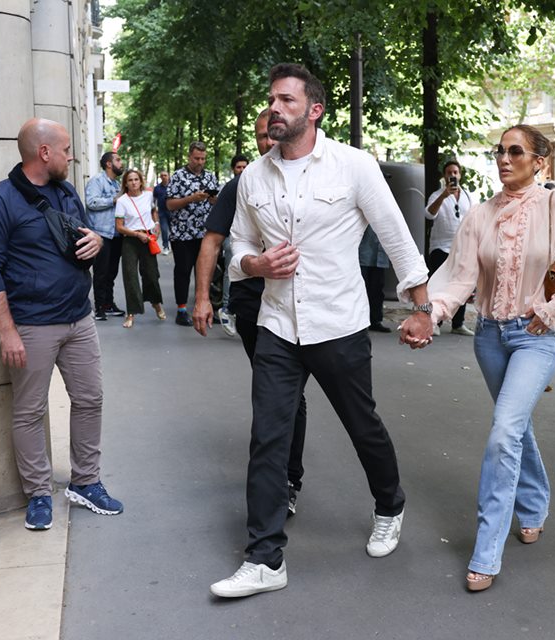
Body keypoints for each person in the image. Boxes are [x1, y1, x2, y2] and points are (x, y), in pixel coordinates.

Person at [209, 63, 432, 599]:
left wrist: (422, 308)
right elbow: (237, 248)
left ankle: (390, 505)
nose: (274, 108)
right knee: (268, 438)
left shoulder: (353, 166)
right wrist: (254, 266)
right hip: (277, 327)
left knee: (362, 425)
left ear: (314, 110)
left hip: (338, 323)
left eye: (286, 100)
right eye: (271, 100)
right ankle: (265, 558)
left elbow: (397, 238)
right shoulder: (253, 178)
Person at [424, 124, 555, 592]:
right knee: (513, 427)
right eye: (499, 151)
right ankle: (536, 504)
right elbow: (459, 277)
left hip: (537, 334)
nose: (503, 158)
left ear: (539, 161)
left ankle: (486, 549)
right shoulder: (479, 215)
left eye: (515, 151)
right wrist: (432, 313)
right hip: (489, 338)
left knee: (503, 432)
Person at [0, 118, 124, 531]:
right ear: (44, 153)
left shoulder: (67, 192)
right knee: (29, 411)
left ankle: (86, 482)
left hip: (79, 319)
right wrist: (6, 330)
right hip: (33, 327)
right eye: (66, 149)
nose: (70, 156)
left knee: (90, 399)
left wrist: (93, 240)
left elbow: (78, 238)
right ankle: (39, 493)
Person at [193, 110, 308, 518]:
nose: (265, 143)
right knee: (275, 392)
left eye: (269, 135)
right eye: (259, 136)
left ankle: (287, 478)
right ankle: (280, 482)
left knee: (292, 396)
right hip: (254, 303)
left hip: (303, 304)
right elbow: (211, 243)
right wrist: (203, 297)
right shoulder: (240, 185)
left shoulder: (310, 179)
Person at [166, 141, 220, 326]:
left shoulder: (211, 177)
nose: (200, 162)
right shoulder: (178, 176)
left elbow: (217, 203)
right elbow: (169, 204)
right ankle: (181, 310)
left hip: (205, 233)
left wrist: (213, 200)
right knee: (183, 271)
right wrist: (191, 199)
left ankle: (204, 306)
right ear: (189, 156)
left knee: (205, 271)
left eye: (203, 158)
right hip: (182, 234)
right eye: (197, 158)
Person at [426, 160, 474, 336]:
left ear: (460, 175)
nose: (452, 175)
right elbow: (429, 213)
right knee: (438, 284)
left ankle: (458, 323)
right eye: (449, 173)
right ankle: (434, 322)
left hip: (463, 247)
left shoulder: (468, 196)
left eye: (455, 172)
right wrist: (444, 196)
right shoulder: (437, 194)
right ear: (444, 176)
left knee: (461, 285)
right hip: (441, 246)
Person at [114, 168, 166, 328]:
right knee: (130, 276)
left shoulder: (149, 196)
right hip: (131, 240)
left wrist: (156, 225)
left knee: (151, 274)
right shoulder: (122, 201)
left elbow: (153, 212)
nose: (133, 182)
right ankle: (131, 313)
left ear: (141, 181)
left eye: (136, 179)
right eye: (130, 180)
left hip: (148, 238)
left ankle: (156, 303)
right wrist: (137, 235)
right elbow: (119, 227)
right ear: (126, 183)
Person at [85, 151, 126, 321]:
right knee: (101, 272)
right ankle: (99, 307)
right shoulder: (97, 181)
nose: (121, 162)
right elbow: (91, 202)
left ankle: (109, 304)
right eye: (118, 160)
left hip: (116, 233)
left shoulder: (117, 184)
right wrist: (114, 200)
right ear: (109, 164)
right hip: (101, 233)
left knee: (112, 272)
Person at [217, 154, 252, 337]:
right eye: (239, 167)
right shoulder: (229, 188)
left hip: (251, 238)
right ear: (233, 169)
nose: (242, 171)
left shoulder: (255, 184)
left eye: (245, 167)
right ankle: (226, 309)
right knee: (232, 272)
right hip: (231, 236)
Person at [359, 226, 392, 332]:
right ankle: (360, 321)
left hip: (380, 256)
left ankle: (375, 320)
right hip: (362, 254)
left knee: (377, 290)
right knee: (361, 290)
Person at [152, 170, 172, 253]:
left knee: (173, 230)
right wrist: (154, 208)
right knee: (164, 230)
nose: (163, 177)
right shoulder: (157, 188)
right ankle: (165, 247)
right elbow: (154, 199)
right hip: (162, 212)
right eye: (162, 175)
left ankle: (175, 246)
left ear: (168, 176)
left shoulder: (172, 186)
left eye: (165, 175)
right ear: (160, 177)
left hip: (172, 212)